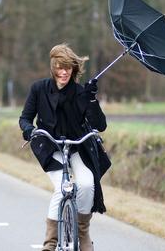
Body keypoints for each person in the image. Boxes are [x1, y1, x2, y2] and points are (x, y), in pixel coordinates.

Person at [19, 43, 111, 251]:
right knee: (62, 189)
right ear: (53, 67)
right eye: (59, 67)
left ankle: (82, 232)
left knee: (87, 185)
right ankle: (50, 244)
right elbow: (25, 118)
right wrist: (30, 131)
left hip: (77, 147)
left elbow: (100, 126)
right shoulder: (38, 89)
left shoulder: (81, 93)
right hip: (50, 148)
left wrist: (92, 99)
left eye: (68, 68)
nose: (63, 72)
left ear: (73, 69)